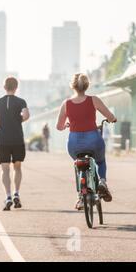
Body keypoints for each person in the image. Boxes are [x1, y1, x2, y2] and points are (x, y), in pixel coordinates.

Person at [56, 73, 116, 210]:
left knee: (79, 164)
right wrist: (112, 119)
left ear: (73, 86)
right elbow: (109, 116)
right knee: (100, 161)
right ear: (87, 85)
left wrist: (66, 125)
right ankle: (102, 181)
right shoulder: (94, 100)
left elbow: (58, 127)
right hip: (93, 139)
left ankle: (81, 196)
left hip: (74, 143)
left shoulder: (66, 104)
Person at [0, 76, 30, 211]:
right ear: (16, 87)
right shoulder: (21, 101)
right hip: (17, 139)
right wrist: (17, 120)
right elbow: (26, 115)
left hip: (3, 140)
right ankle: (16, 194)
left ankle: (8, 196)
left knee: (5, 169)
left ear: (4, 87)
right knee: (17, 167)